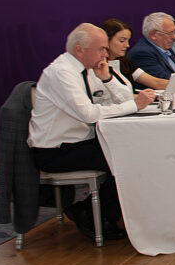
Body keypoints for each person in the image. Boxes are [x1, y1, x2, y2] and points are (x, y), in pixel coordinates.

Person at [28, 23, 157, 240]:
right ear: (79, 49)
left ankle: (102, 213)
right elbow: (88, 114)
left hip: (80, 142)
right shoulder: (62, 73)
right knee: (125, 158)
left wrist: (107, 78)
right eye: (101, 49)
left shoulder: (88, 69)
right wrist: (135, 106)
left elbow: (125, 98)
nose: (105, 54)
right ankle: (99, 216)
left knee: (135, 150)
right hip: (55, 150)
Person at [100, 19, 175, 92]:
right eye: (122, 40)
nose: (127, 45)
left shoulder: (124, 62)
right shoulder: (98, 67)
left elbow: (154, 82)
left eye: (127, 40)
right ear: (106, 40)